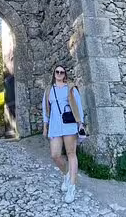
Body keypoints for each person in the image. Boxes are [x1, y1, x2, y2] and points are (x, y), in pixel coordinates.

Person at [42, 64, 85, 204]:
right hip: (54, 126)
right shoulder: (49, 90)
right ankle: (67, 174)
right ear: (54, 74)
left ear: (65, 74)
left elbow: (78, 106)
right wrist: (45, 126)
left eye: (62, 72)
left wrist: (81, 124)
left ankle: (72, 187)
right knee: (55, 155)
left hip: (69, 125)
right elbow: (45, 109)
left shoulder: (71, 88)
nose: (59, 74)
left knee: (71, 153)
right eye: (57, 72)